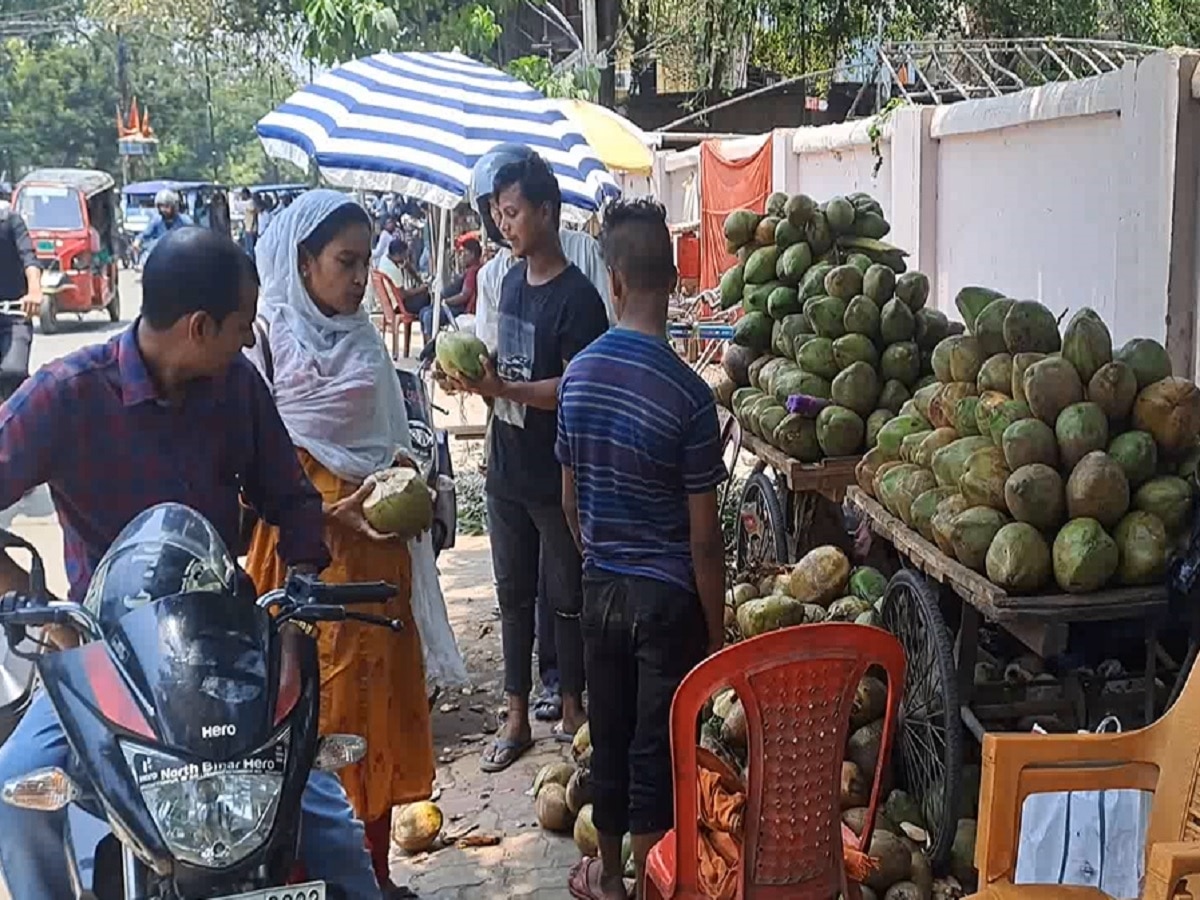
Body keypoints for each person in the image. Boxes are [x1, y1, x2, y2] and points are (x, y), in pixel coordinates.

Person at [0, 227, 384, 899]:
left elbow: (291, 501)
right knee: (17, 790)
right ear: (200, 326)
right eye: (241, 326)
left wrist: (299, 599)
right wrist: (38, 611)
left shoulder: (237, 388)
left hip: (229, 644)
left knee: (327, 825)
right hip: (104, 656)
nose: (248, 341)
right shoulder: (67, 392)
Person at [244, 191, 445, 897]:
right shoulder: (264, 343)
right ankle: (306, 879)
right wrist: (329, 517)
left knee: (375, 715)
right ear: (302, 263)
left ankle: (373, 875)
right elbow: (248, 481)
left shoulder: (363, 339)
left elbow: (391, 443)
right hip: (299, 568)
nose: (360, 279)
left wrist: (407, 479)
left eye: (365, 263)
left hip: (375, 571)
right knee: (305, 724)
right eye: (344, 262)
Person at [557, 198, 727, 900]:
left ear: (614, 281)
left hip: (602, 588)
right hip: (668, 601)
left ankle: (613, 878)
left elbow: (570, 503)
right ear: (678, 281)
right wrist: (715, 635)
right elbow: (706, 538)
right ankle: (660, 886)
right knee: (658, 748)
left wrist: (601, 557)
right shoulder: (690, 398)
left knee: (613, 735)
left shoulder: (578, 377)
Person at [447, 152, 608, 772]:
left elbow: (574, 385)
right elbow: (501, 364)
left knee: (565, 595)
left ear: (547, 212)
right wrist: (470, 376)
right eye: (496, 213)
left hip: (559, 472)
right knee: (513, 595)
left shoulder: (579, 300)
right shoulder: (507, 281)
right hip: (507, 467)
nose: (502, 224)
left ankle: (572, 706)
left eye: (511, 212)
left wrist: (505, 392)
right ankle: (515, 713)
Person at [0, 203, 40, 399]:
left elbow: (29, 259)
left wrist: (34, 292)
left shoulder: (9, 219)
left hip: (13, 313)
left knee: (13, 372)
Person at [419, 237, 482, 343]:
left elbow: (464, 295)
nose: (461, 257)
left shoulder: (472, 272)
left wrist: (446, 302)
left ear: (472, 254)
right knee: (423, 312)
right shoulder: (468, 271)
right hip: (454, 305)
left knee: (429, 316)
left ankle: (431, 349)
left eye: (464, 253)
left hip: (461, 309)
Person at [130, 188, 193, 261]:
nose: (163, 209)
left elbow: (193, 234)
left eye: (166, 206)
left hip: (179, 256)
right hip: (160, 257)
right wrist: (137, 241)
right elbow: (145, 234)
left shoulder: (185, 220)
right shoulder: (157, 220)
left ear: (173, 206)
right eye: (161, 207)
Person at [379, 237, 430, 315]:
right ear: (397, 255)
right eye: (404, 256)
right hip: (398, 305)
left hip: (390, 301)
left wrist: (418, 280)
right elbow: (403, 294)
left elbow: (407, 265)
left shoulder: (384, 259)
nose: (405, 258)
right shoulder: (393, 269)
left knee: (418, 293)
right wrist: (420, 289)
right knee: (426, 298)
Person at [240, 187, 259, 256]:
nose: (242, 196)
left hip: (251, 229)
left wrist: (251, 227)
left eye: (243, 194)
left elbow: (254, 215)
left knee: (251, 249)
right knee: (248, 249)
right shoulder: (247, 203)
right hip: (247, 228)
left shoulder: (251, 203)